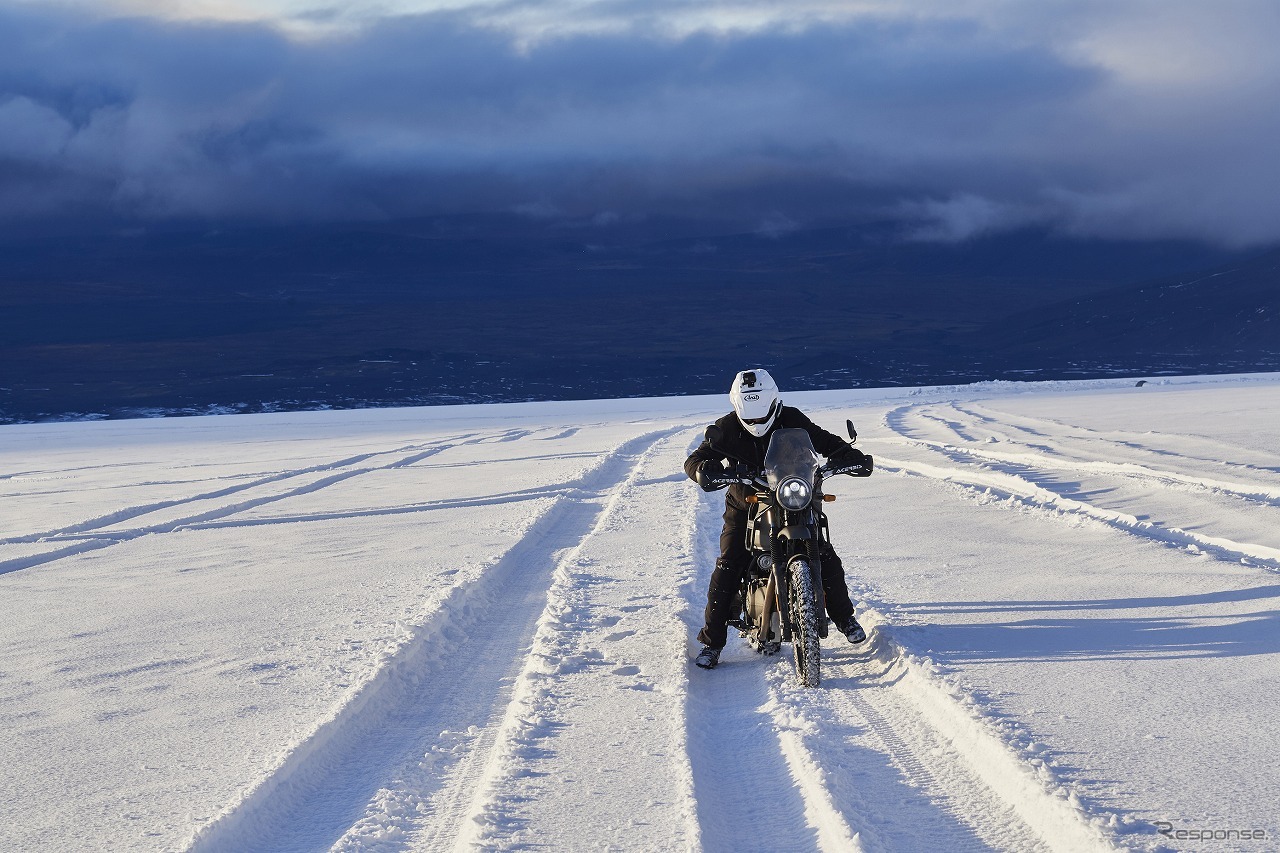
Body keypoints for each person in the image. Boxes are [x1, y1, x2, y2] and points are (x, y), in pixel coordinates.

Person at [684, 368, 869, 670]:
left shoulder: (793, 419)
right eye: (751, 418)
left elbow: (826, 441)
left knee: (823, 551)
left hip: (794, 497)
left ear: (773, 403)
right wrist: (704, 470)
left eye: (762, 415)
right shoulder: (728, 427)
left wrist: (850, 456)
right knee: (730, 562)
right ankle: (712, 642)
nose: (757, 423)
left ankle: (844, 617)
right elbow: (696, 459)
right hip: (746, 503)